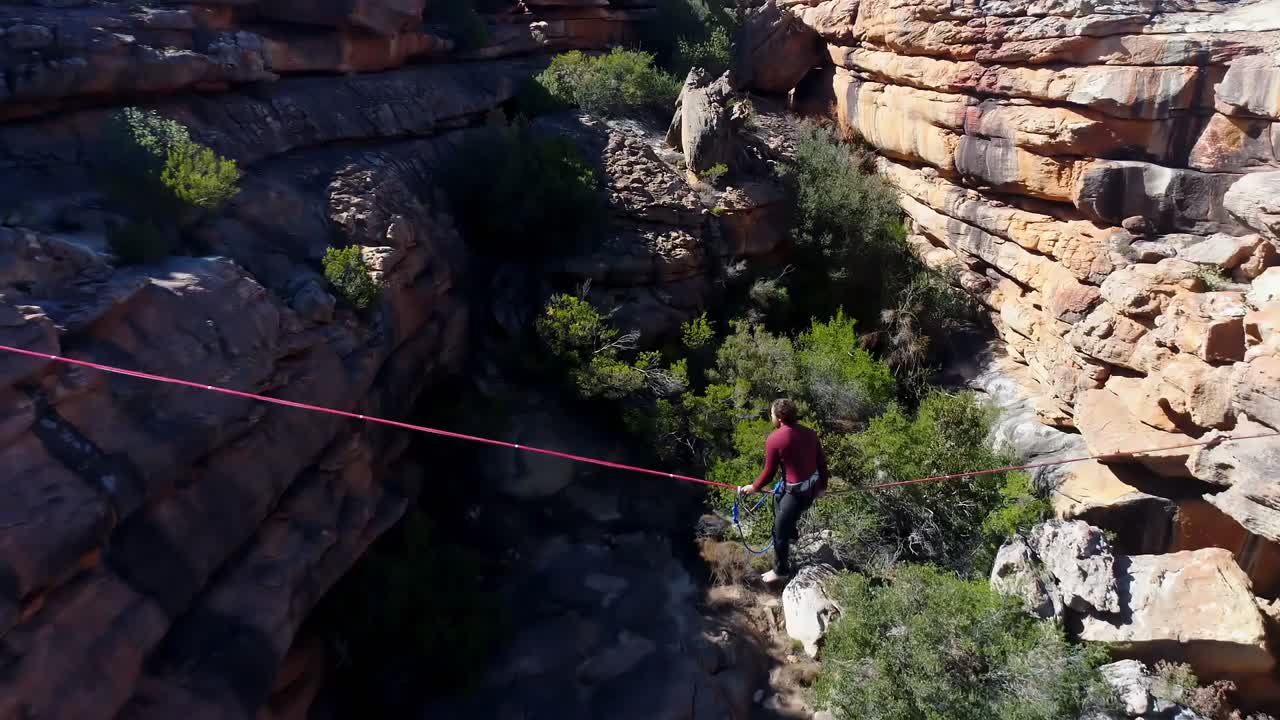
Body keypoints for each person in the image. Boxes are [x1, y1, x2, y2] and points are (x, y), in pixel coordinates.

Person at [739, 398, 829, 583]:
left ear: (779, 418)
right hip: (810, 491)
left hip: (796, 495)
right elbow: (822, 463)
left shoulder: (775, 439)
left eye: (771, 414)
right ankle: (793, 533)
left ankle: (781, 570)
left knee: (779, 533)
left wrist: (754, 487)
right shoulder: (810, 433)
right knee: (779, 501)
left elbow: (769, 473)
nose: (770, 416)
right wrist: (822, 487)